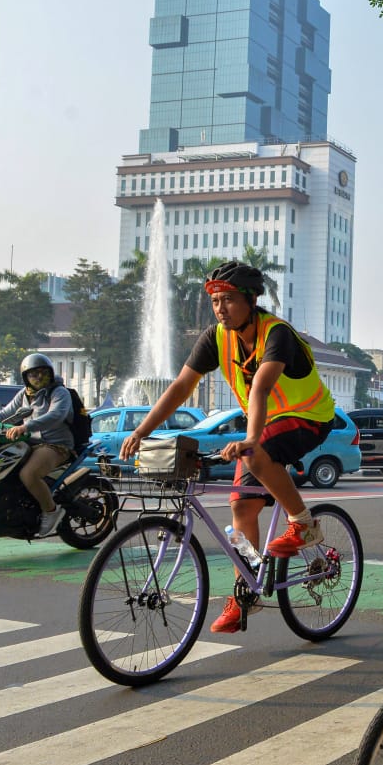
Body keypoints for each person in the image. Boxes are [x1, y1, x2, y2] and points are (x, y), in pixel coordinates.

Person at [120, 260, 335, 634]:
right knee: (240, 508)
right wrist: (142, 430)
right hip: (265, 425)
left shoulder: (277, 333)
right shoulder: (215, 337)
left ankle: (303, 524)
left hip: (309, 416)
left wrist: (250, 439)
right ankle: (246, 591)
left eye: (230, 300)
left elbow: (262, 388)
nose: (221, 308)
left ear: (252, 300)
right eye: (216, 301)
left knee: (260, 449)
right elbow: (180, 388)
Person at [0, 353, 77, 536]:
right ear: (26, 378)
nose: (39, 377)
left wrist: (26, 426)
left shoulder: (59, 392)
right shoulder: (24, 394)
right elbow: (5, 413)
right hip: (31, 442)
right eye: (33, 374)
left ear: (50, 373)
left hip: (56, 445)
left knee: (28, 474)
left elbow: (56, 415)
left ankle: (51, 511)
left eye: (43, 373)